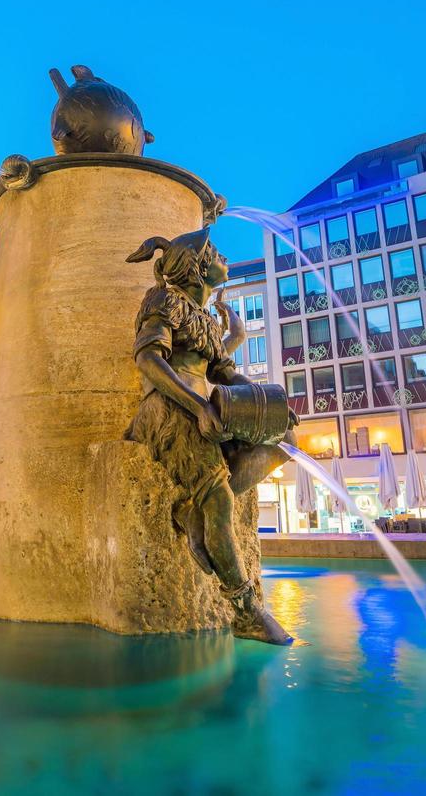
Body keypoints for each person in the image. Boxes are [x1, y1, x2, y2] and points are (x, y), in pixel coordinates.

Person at [124, 227, 294, 644]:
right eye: (214, 252)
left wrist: (267, 406)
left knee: (281, 442)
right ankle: (245, 609)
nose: (223, 257)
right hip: (169, 408)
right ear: (197, 266)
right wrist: (198, 405)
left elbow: (223, 374)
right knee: (218, 496)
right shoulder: (163, 301)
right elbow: (148, 359)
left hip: (210, 406)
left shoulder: (203, 319)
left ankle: (194, 511)